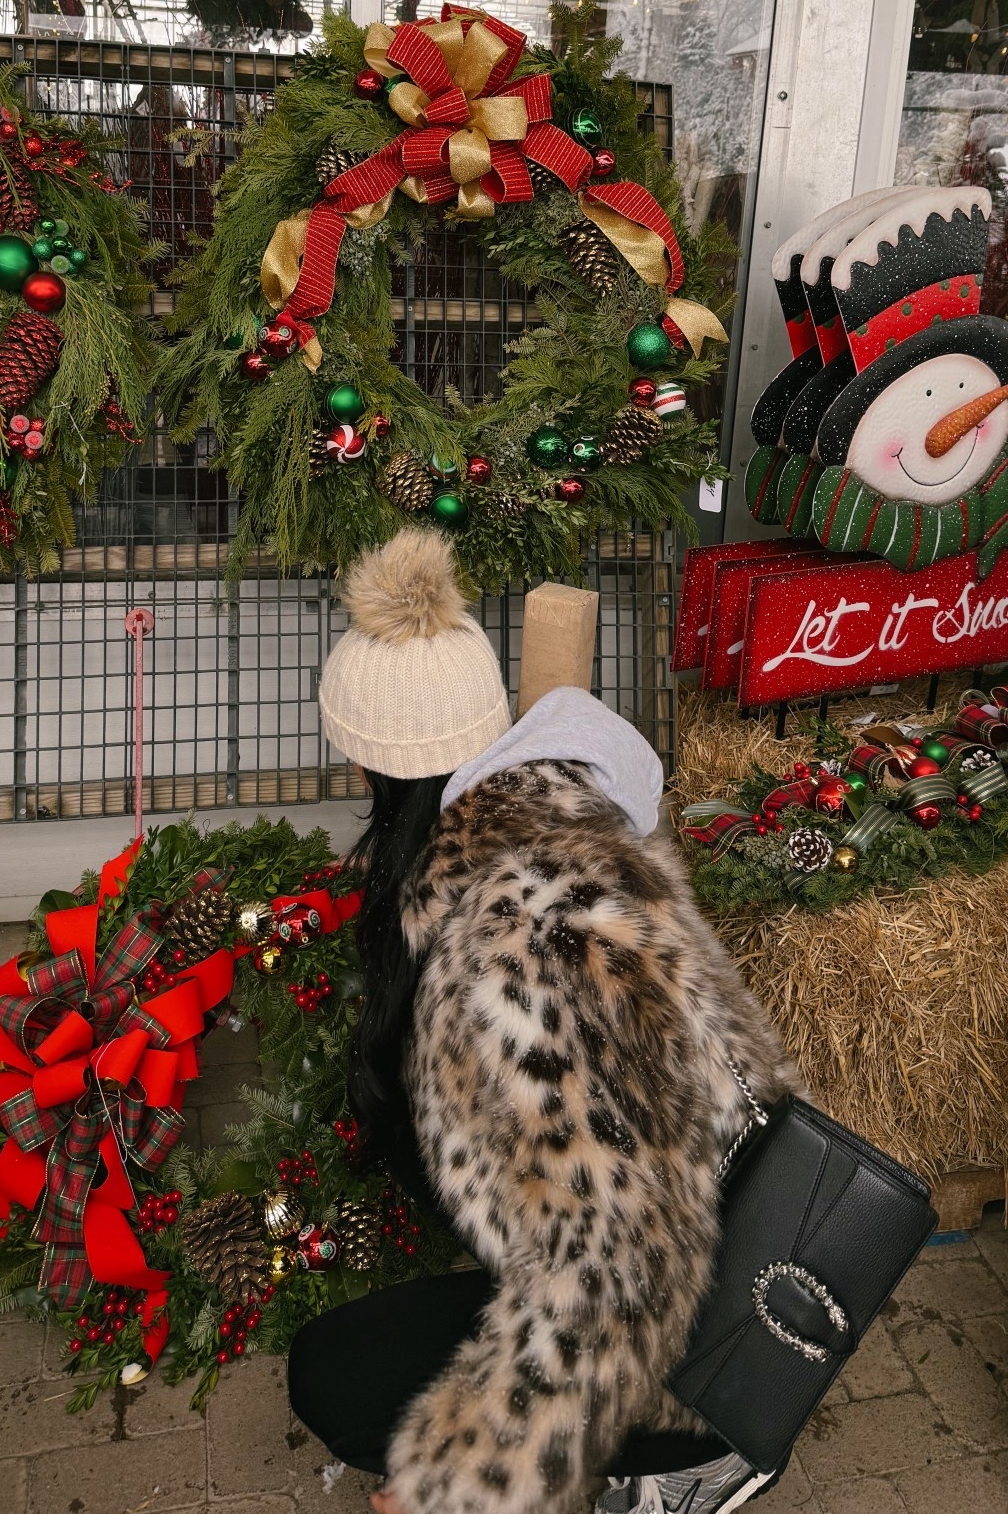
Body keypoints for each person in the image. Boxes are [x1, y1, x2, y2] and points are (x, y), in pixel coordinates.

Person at [287, 529, 800, 1514]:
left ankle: (680, 1459)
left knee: (332, 1378)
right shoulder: (568, 803)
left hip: (656, 1329)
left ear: (367, 759)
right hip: (736, 1248)